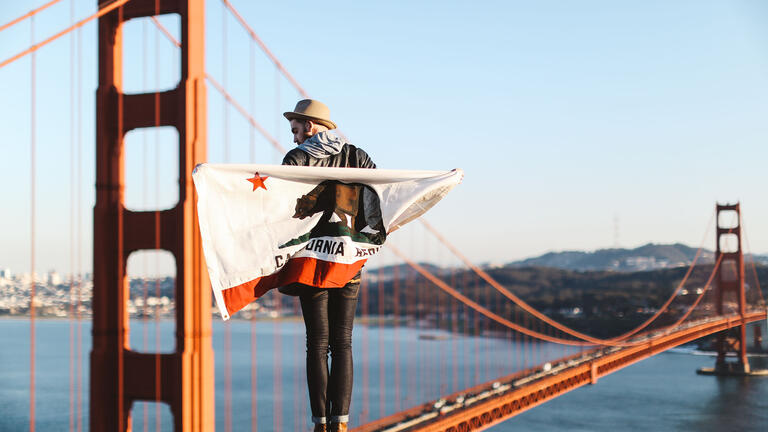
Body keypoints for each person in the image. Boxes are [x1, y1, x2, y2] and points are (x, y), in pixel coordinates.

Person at [281, 99, 375, 432]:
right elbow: (377, 202)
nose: (293, 138)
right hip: (349, 262)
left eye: (295, 130)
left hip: (313, 261)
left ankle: (320, 423)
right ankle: (342, 422)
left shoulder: (296, 158)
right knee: (343, 341)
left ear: (309, 125)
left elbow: (283, 211)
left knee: (318, 343)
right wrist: (364, 245)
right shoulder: (358, 156)